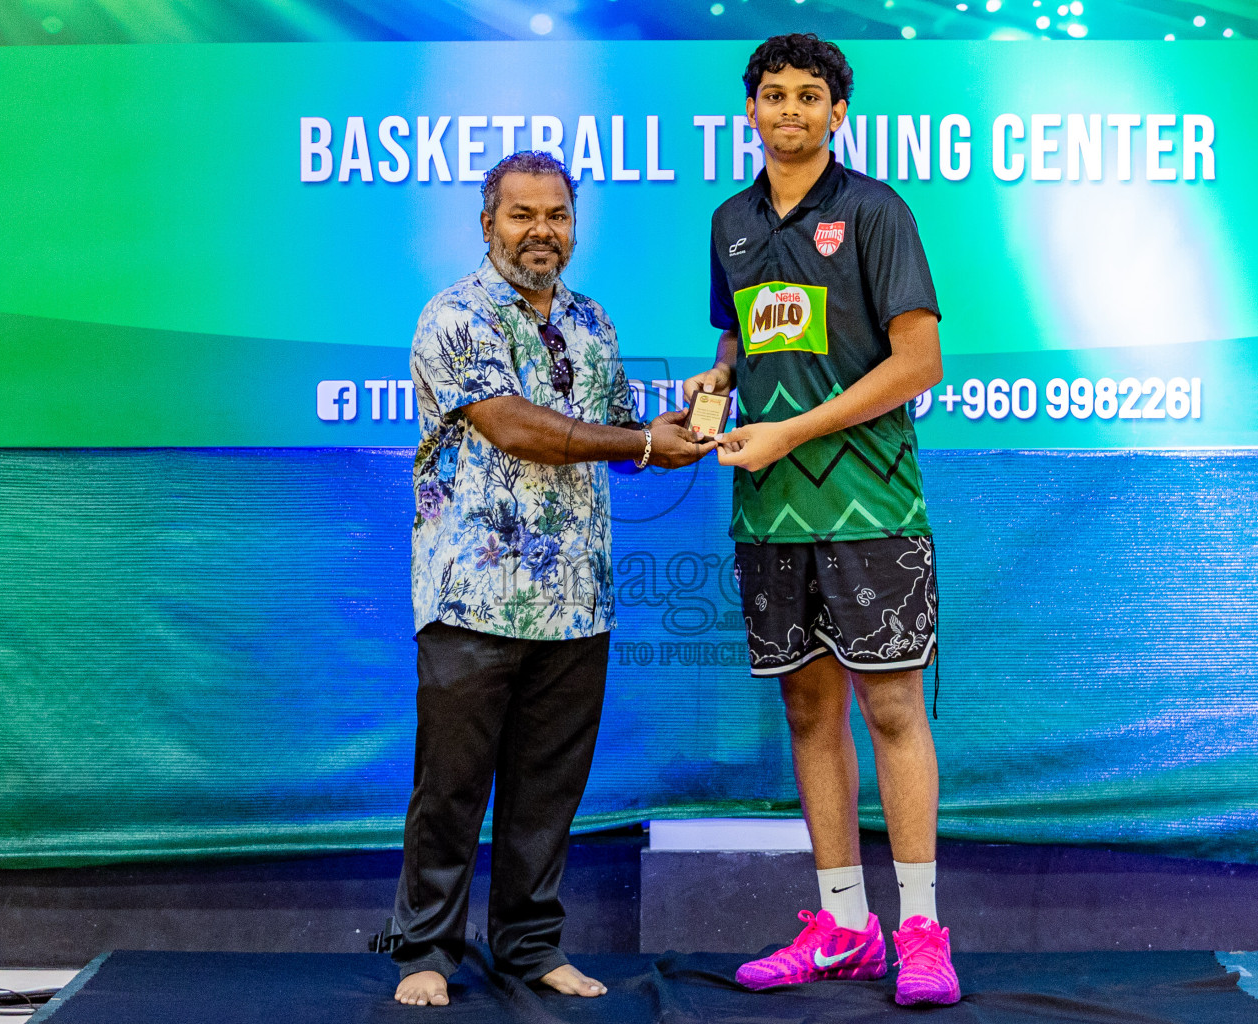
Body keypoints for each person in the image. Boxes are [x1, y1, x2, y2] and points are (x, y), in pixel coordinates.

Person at [392, 151, 714, 1007]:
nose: (543, 231)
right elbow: (518, 429)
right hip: (471, 597)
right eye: (523, 215)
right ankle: (425, 952)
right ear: (487, 223)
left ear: (574, 224)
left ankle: (530, 948)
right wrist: (638, 442)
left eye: (558, 215)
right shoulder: (454, 315)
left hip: (577, 602)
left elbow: (613, 432)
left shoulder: (592, 320)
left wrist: (674, 425)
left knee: (547, 793)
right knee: (451, 788)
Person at [684, 33, 958, 1006]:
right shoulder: (729, 221)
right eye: (773, 95)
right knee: (808, 709)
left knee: (890, 707)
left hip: (872, 503)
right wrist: (721, 377)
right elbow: (744, 330)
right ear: (749, 111)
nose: (790, 110)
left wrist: (794, 428)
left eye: (809, 96)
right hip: (770, 511)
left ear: (839, 113)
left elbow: (917, 363)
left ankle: (922, 928)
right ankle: (845, 928)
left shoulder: (876, 210)